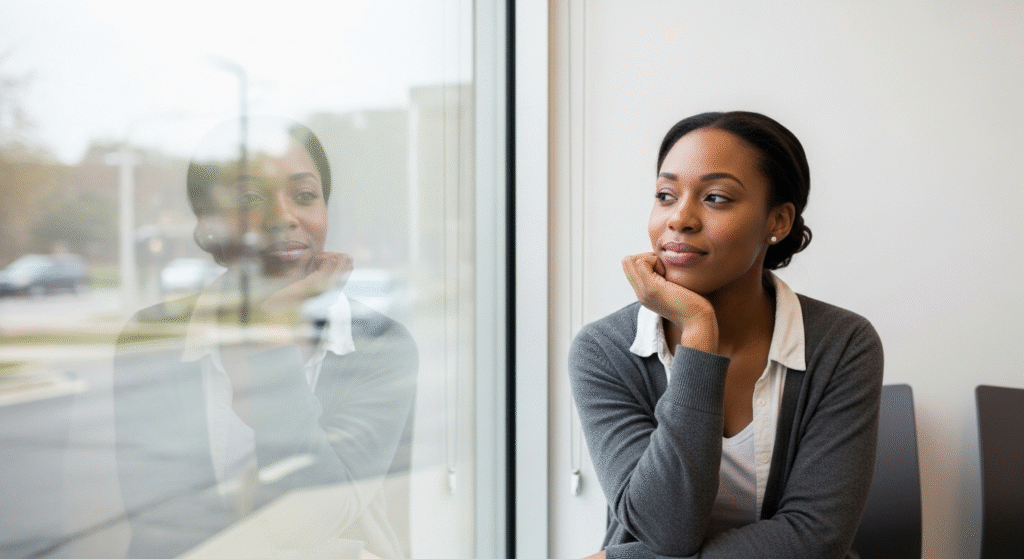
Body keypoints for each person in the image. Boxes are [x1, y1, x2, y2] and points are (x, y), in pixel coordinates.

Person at [569, 111, 883, 558]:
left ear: (778, 221)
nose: (680, 218)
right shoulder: (604, 351)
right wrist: (700, 332)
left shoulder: (843, 344)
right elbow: (665, 530)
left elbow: (816, 537)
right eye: (665, 194)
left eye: (715, 198)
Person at [113, 117, 417, 559]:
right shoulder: (152, 339)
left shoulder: (379, 345)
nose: (285, 217)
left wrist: (272, 330)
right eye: (250, 198)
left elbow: (313, 519)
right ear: (207, 225)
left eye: (305, 196)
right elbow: (164, 526)